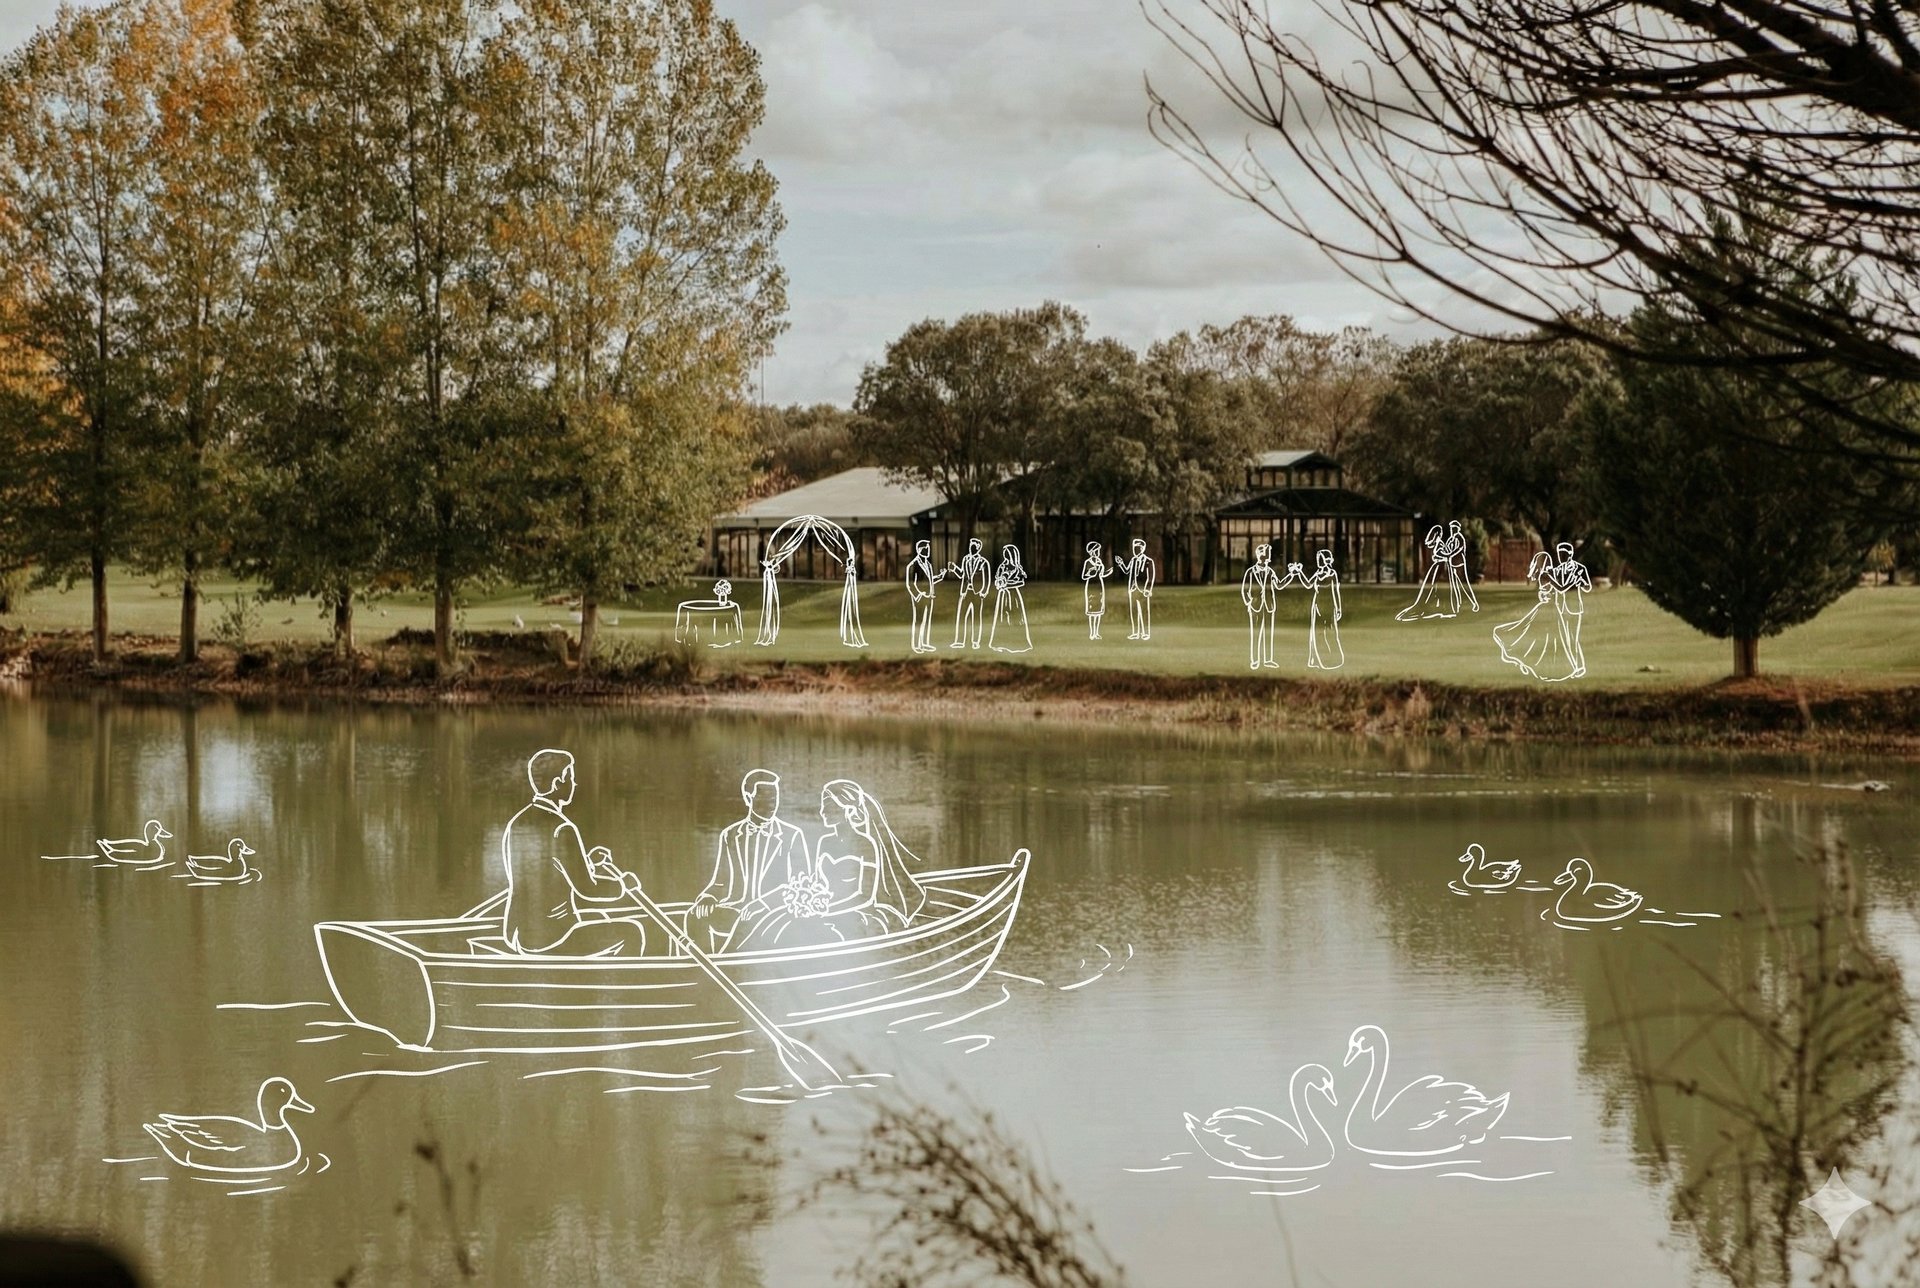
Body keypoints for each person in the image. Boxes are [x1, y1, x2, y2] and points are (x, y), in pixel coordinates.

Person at [732, 779, 926, 951]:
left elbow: (865, 897)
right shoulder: (824, 842)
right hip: (825, 910)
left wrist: (823, 911)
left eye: (829, 806)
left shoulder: (865, 843)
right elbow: (816, 885)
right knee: (775, 920)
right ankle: (735, 958)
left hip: (856, 913)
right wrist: (800, 901)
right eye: (823, 805)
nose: (822, 811)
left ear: (847, 808)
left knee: (800, 929)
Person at [501, 749, 647, 956]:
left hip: (516, 936)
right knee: (633, 932)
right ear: (556, 783)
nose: (575, 784)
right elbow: (588, 888)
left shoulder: (516, 824)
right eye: (571, 777)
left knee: (602, 919)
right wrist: (624, 884)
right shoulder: (563, 828)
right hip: (548, 939)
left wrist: (588, 862)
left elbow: (548, 870)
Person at [687, 769, 811, 953]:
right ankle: (699, 970)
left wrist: (764, 903)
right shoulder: (730, 834)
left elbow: (801, 885)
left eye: (774, 798)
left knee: (743, 926)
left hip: (774, 913)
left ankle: (722, 967)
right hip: (736, 909)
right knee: (694, 915)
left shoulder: (792, 836)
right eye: (764, 798)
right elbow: (720, 881)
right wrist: (708, 897)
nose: (771, 805)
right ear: (748, 798)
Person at [1492, 550, 1578, 681]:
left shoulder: (1547, 576)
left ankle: (1551, 663)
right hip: (1549, 609)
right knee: (1549, 636)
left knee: (1553, 638)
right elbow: (1560, 588)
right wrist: (1573, 581)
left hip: (1551, 609)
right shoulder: (1547, 576)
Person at [1280, 549, 1345, 670]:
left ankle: (1332, 658)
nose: (1318, 561)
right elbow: (1308, 584)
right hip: (1317, 604)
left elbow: (1336, 592)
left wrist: (1338, 608)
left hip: (1329, 604)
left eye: (1320, 558)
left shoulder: (1332, 574)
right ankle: (1314, 659)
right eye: (1317, 558)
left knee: (1329, 631)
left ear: (1326, 560)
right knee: (1315, 632)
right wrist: (1299, 573)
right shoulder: (1318, 573)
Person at [1551, 542, 1592, 677]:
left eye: (1563, 554)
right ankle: (1575, 666)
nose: (1561, 557)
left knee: (1573, 638)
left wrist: (1579, 582)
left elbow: (1587, 587)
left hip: (1574, 607)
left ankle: (1579, 667)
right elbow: (1558, 587)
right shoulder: (1558, 570)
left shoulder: (1579, 569)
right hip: (1562, 607)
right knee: (1566, 639)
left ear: (1569, 555)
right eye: (1559, 554)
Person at [1241, 544, 1283, 669]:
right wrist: (1248, 602)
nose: (1269, 555)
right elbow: (1244, 589)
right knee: (1256, 633)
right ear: (1262, 555)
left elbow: (1279, 585)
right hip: (1256, 606)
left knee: (1268, 633)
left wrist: (1292, 575)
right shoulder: (1251, 572)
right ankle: (1255, 660)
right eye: (1268, 553)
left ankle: (1268, 659)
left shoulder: (1270, 572)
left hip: (1269, 605)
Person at [1395, 525, 1448, 621]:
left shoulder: (1440, 544)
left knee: (1433, 586)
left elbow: (1443, 554)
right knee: (1431, 586)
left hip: (1438, 565)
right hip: (1436, 565)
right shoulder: (1436, 543)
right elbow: (1430, 544)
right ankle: (1429, 604)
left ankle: (1434, 604)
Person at [948, 539, 991, 649]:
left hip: (977, 592)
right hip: (965, 591)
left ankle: (975, 641)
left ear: (978, 548)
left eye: (974, 546)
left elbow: (987, 578)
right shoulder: (966, 559)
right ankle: (960, 641)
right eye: (971, 545)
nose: (971, 548)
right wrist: (954, 569)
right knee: (962, 616)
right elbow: (963, 574)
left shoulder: (983, 562)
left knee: (976, 618)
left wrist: (984, 592)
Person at [989, 544, 1032, 653]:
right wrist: (1000, 583)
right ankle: (1001, 642)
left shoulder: (1017, 568)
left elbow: (1021, 581)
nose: (1005, 555)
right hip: (1004, 594)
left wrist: (1008, 583)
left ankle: (1016, 642)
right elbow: (997, 578)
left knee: (1014, 616)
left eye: (1006, 553)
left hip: (1013, 595)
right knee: (1003, 616)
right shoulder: (1002, 566)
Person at [905, 540, 944, 654]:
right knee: (918, 621)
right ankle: (916, 644)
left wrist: (940, 576)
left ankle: (924, 643)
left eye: (928, 548)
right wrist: (918, 595)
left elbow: (931, 580)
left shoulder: (928, 565)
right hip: (920, 598)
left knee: (926, 621)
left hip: (929, 597)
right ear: (920, 550)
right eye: (926, 548)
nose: (928, 550)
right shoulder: (913, 565)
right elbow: (910, 584)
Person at [1117, 538, 1156, 640]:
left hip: (1143, 589)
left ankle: (1145, 632)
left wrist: (1148, 589)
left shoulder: (1148, 561)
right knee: (1133, 611)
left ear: (1142, 548)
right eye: (1134, 548)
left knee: (1144, 611)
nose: (1135, 550)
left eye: (1137, 548)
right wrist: (1121, 564)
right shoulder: (1133, 560)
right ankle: (1135, 632)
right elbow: (1127, 571)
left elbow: (1150, 576)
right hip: (1133, 588)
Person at [1443, 520, 1481, 614]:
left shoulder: (1460, 538)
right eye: (1452, 528)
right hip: (1451, 564)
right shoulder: (1450, 540)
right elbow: (1447, 550)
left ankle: (1474, 602)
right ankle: (1457, 606)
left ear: (1457, 529)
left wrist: (1449, 554)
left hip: (1459, 563)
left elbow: (1458, 550)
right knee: (1454, 586)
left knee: (1464, 585)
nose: (1452, 530)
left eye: (1454, 529)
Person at [1081, 543, 1111, 639]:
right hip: (1091, 587)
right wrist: (1091, 573)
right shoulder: (1088, 562)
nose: (1098, 552)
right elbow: (1084, 576)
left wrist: (1108, 572)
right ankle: (1092, 632)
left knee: (1098, 611)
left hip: (1099, 586)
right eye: (1096, 550)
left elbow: (1101, 574)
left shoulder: (1099, 561)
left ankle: (1096, 632)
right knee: (1091, 611)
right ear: (1092, 552)